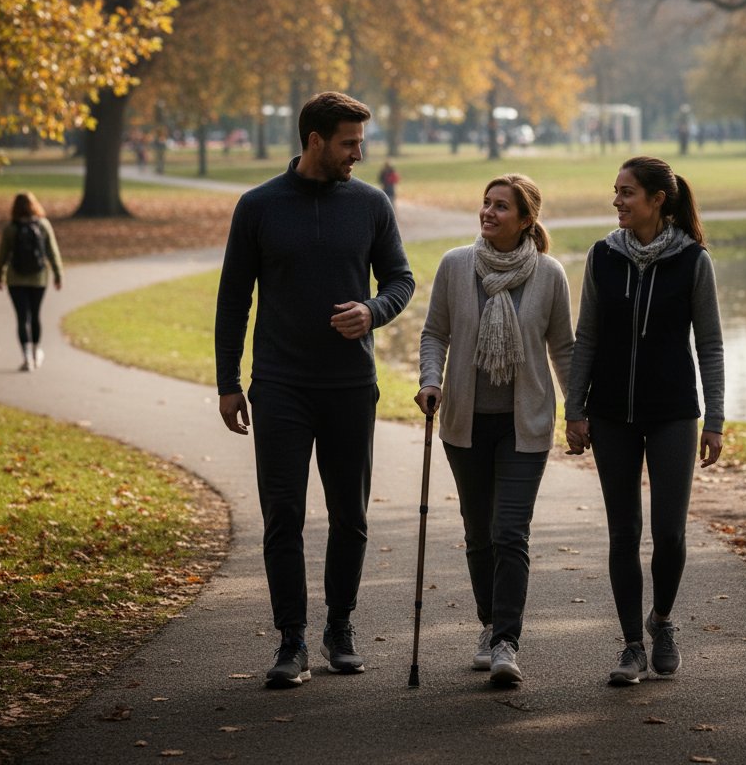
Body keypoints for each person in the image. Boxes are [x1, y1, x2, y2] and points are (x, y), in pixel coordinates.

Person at [215, 91, 415, 689]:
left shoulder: (371, 204)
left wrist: (374, 311)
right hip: (280, 385)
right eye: (350, 143)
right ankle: (292, 639)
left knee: (350, 516)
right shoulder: (258, 207)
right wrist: (229, 383)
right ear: (315, 141)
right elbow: (233, 300)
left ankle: (340, 628)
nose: (360, 152)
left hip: (351, 385)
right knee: (283, 515)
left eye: (361, 141)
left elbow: (400, 278)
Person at [565, 155, 724, 685]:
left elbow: (710, 346)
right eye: (615, 191)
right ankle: (632, 645)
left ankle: (662, 621)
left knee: (670, 533)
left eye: (627, 192)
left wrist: (715, 418)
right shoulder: (602, 257)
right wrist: (576, 409)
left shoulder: (693, 261)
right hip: (611, 415)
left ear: (658, 199)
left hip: (674, 414)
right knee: (623, 531)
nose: (617, 200)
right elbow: (585, 337)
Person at [415, 174, 574, 686]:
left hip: (523, 425)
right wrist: (430, 381)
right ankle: (488, 624)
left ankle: (506, 640)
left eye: (501, 206)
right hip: (464, 422)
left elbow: (564, 349)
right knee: (478, 534)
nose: (488, 212)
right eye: (485, 203)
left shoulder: (549, 274)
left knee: (510, 531)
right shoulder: (456, 265)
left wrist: (578, 410)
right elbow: (435, 332)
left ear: (526, 219)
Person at [0, 191, 63, 372]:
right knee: (35, 315)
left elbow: (3, 255)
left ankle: (26, 358)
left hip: (15, 278)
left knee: (21, 318)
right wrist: (58, 274)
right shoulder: (43, 225)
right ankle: (36, 352)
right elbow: (52, 251)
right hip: (38, 278)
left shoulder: (11, 228)